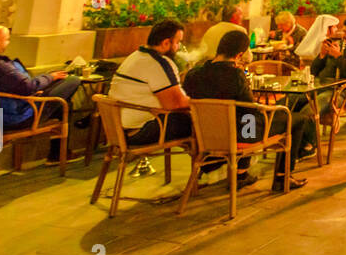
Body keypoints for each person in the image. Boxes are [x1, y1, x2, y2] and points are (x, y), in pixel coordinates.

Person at [184, 30, 312, 191]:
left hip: (205, 134)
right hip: (243, 134)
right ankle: (282, 178)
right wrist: (267, 109)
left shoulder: (193, 75)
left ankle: (241, 174)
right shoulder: (235, 75)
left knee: (247, 117)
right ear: (239, 55)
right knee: (295, 119)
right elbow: (249, 109)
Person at [0, 24, 83, 161]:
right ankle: (59, 153)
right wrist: (51, 77)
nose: (7, 43)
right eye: (7, 39)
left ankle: (58, 154)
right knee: (72, 81)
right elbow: (27, 87)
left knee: (61, 102)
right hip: (15, 120)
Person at [107, 20, 194, 146]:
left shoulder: (135, 56)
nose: (178, 47)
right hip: (139, 131)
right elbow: (176, 103)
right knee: (199, 123)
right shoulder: (158, 63)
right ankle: (208, 162)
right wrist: (200, 102)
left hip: (117, 130)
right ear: (165, 43)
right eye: (178, 42)